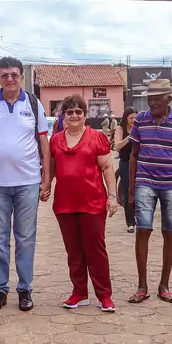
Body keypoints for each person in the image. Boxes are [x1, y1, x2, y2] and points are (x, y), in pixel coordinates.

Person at [0, 57, 51, 312]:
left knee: (26, 238)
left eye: (14, 75)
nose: (9, 79)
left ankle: (25, 290)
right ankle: (0, 289)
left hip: (28, 181)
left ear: (21, 77)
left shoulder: (33, 103)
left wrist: (47, 177)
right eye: (4, 75)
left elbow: (44, 145)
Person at [50, 94, 119, 312]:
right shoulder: (56, 140)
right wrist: (44, 187)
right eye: (69, 112)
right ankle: (79, 293)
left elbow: (107, 167)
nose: (74, 115)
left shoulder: (96, 137)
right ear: (63, 116)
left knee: (96, 250)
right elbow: (52, 168)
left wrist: (112, 196)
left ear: (85, 115)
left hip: (93, 203)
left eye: (78, 111)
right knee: (74, 251)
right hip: (64, 204)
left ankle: (104, 295)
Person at [128, 79, 172, 304]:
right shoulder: (140, 120)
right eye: (150, 98)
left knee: (170, 232)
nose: (153, 102)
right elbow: (134, 155)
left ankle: (164, 285)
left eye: (157, 97)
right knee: (143, 230)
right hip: (145, 181)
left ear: (168, 98)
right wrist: (130, 190)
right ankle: (142, 286)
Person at [114, 107, 138, 233]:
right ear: (125, 118)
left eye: (135, 118)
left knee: (140, 191)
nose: (133, 120)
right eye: (130, 118)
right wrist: (129, 137)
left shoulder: (140, 128)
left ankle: (139, 217)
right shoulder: (120, 129)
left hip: (139, 164)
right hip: (125, 163)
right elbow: (116, 146)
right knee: (128, 191)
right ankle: (130, 222)